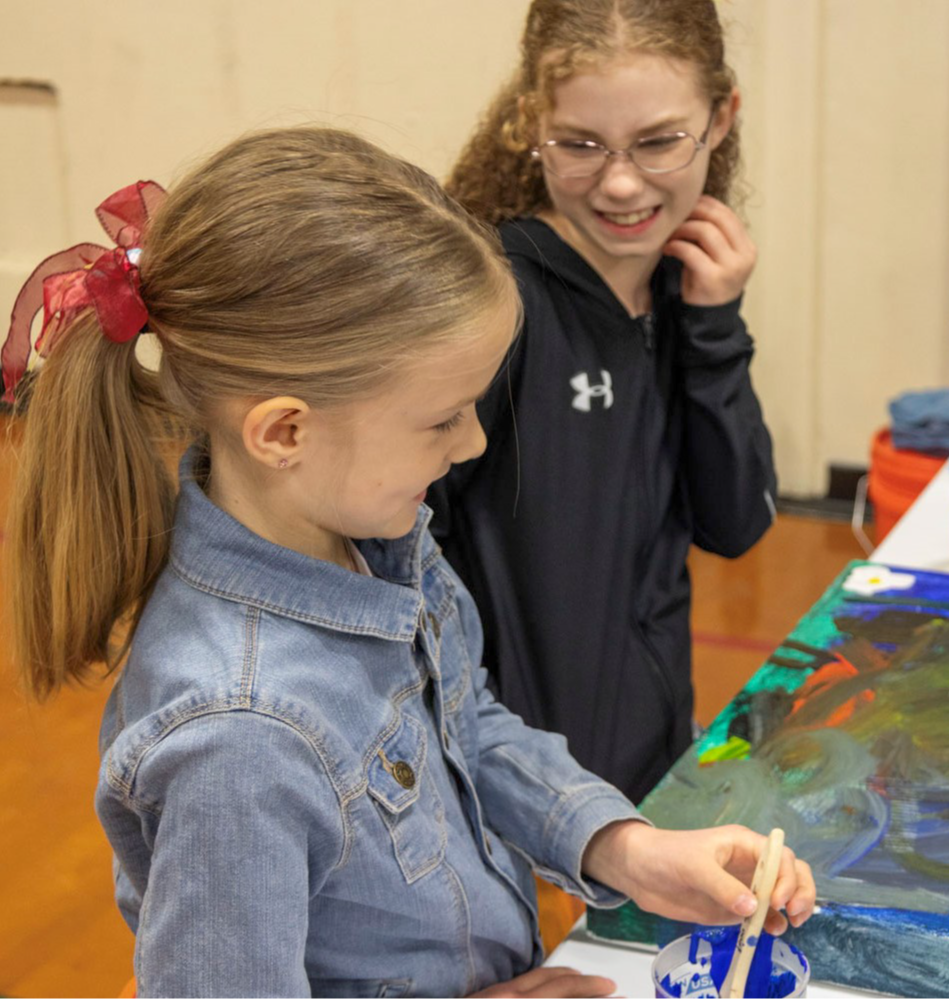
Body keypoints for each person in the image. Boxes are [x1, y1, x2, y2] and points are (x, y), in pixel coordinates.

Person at [3, 126, 812, 998]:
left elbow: (465, 725)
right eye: (443, 417)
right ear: (284, 431)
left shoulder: (373, 535)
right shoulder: (238, 741)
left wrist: (622, 846)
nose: (470, 444)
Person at [432, 0, 777, 806]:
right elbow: (405, 555)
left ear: (721, 117)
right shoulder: (495, 302)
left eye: (659, 141)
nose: (621, 183)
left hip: (646, 761)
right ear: (530, 122)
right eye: (580, 144)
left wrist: (713, 327)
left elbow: (736, 523)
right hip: (509, 785)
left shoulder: (683, 290)